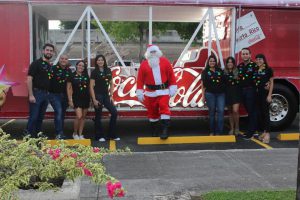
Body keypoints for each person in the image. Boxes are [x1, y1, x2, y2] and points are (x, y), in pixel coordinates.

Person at [136, 45, 177, 139]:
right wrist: (139, 91)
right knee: (152, 111)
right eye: (151, 52)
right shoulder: (144, 64)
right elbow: (140, 80)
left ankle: (165, 130)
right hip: (150, 92)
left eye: (155, 51)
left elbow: (171, 75)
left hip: (163, 91)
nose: (153, 53)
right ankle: (154, 130)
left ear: (158, 52)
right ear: (148, 53)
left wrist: (173, 87)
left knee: (164, 107)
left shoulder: (165, 61)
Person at [24, 43, 54, 138]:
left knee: (40, 117)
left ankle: (37, 135)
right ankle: (28, 136)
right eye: (47, 50)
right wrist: (31, 95)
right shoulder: (36, 63)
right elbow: (29, 79)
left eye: (51, 51)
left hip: (45, 94)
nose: (49, 52)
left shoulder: (49, 65)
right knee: (33, 117)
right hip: (37, 93)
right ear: (43, 51)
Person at [90, 55, 119, 142]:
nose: (100, 61)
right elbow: (91, 86)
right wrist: (94, 99)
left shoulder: (108, 70)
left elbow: (111, 83)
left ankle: (111, 135)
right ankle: (99, 136)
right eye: (98, 60)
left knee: (114, 112)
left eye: (102, 60)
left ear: (104, 61)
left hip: (106, 95)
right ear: (96, 62)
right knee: (98, 115)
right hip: (97, 95)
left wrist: (111, 96)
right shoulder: (94, 72)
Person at [47, 54, 72, 139]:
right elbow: (47, 80)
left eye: (65, 59)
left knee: (62, 114)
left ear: (67, 60)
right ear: (59, 59)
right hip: (54, 95)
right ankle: (59, 133)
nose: (63, 60)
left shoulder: (69, 71)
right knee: (59, 111)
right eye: (62, 58)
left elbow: (70, 85)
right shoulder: (53, 68)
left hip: (64, 95)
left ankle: (60, 133)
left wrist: (70, 98)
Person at [201, 55, 225, 135]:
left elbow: (224, 82)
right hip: (209, 94)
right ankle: (212, 131)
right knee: (212, 112)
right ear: (208, 62)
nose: (212, 62)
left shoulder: (220, 70)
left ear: (216, 62)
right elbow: (203, 85)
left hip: (220, 94)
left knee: (221, 111)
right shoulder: (205, 71)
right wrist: (203, 96)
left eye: (214, 61)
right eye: (211, 61)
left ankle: (219, 131)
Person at [237, 48, 258, 140]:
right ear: (241, 56)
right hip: (242, 91)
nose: (245, 55)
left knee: (252, 111)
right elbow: (235, 77)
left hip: (251, 91)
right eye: (243, 54)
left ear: (250, 55)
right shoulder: (240, 66)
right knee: (249, 111)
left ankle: (251, 132)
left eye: (246, 54)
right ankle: (253, 130)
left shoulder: (254, 66)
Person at [67, 60, 90, 140]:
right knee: (79, 116)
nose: (81, 67)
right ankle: (75, 133)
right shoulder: (72, 75)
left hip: (86, 98)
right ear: (76, 66)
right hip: (76, 98)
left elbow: (89, 88)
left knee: (83, 117)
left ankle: (80, 134)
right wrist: (70, 100)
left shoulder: (86, 76)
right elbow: (69, 88)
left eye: (83, 66)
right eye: (79, 65)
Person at [254, 54, 274, 143]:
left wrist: (269, 95)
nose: (258, 61)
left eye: (260, 59)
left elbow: (272, 82)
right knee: (260, 113)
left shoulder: (268, 70)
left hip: (265, 94)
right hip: (257, 94)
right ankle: (264, 132)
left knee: (266, 113)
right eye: (257, 59)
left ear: (264, 60)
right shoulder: (256, 69)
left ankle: (268, 134)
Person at [224, 57, 241, 135]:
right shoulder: (223, 72)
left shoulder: (237, 72)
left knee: (235, 111)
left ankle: (237, 127)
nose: (230, 63)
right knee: (230, 112)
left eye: (231, 62)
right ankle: (232, 128)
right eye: (228, 62)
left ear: (233, 63)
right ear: (226, 64)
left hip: (236, 93)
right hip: (227, 94)